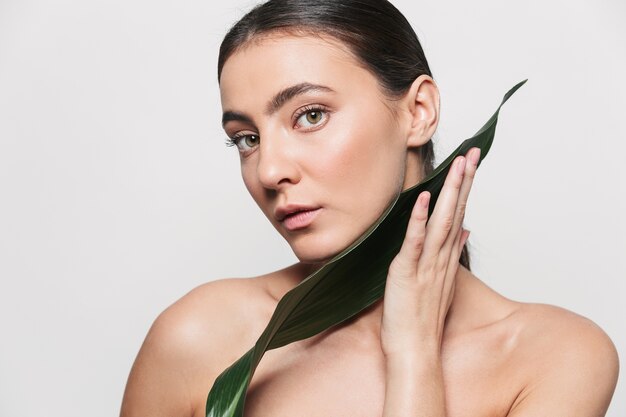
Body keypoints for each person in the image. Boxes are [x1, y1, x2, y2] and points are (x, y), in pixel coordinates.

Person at [120, 1, 619, 416]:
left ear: (417, 112)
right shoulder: (199, 336)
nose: (269, 171)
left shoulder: (555, 357)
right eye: (246, 139)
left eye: (310, 115)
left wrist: (413, 354)